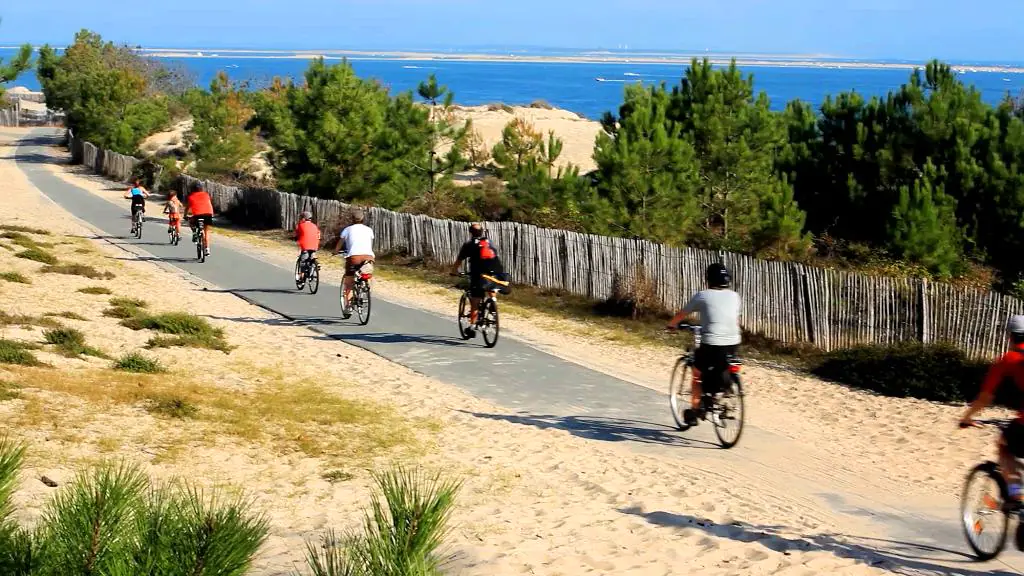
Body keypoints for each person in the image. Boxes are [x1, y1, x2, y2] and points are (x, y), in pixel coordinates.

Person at [666, 262, 742, 427]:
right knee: (723, 366)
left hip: (712, 342)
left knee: (697, 372)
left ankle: (694, 411)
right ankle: (722, 396)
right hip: (733, 341)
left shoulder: (702, 295)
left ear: (708, 279)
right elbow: (734, 320)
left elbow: (682, 313)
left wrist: (671, 325)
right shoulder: (735, 296)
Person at [960, 316, 1024, 505]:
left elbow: (985, 398)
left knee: (1004, 446)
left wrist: (967, 418)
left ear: (1010, 336)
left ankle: (1016, 495)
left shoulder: (1008, 360)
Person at [450, 223, 502, 338]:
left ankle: (472, 327)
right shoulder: (489, 242)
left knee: (475, 301)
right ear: (482, 232)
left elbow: (459, 260)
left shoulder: (469, 244)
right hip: (494, 271)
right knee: (491, 286)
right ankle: (493, 301)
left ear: (470, 232)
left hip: (478, 274)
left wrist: (454, 271)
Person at [334, 208, 374, 319]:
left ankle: (348, 306)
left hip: (354, 257)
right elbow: (369, 244)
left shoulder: (347, 230)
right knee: (367, 272)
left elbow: (340, 244)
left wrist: (335, 251)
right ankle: (367, 289)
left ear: (352, 219)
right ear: (363, 219)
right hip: (368, 256)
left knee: (349, 282)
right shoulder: (369, 230)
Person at [184, 182, 215, 256]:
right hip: (208, 214)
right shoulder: (206, 195)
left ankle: (194, 233)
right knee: (206, 232)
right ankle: (207, 249)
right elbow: (209, 204)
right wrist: (212, 214)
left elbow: (187, 208)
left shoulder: (191, 197)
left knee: (191, 222)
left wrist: (185, 215)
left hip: (197, 215)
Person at [294, 210, 321, 284]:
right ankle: (315, 263)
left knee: (303, 262)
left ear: (303, 218)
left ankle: (301, 278)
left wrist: (296, 238)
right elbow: (318, 235)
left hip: (305, 245)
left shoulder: (300, 225)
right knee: (312, 256)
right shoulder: (315, 226)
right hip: (315, 245)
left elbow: (297, 234)